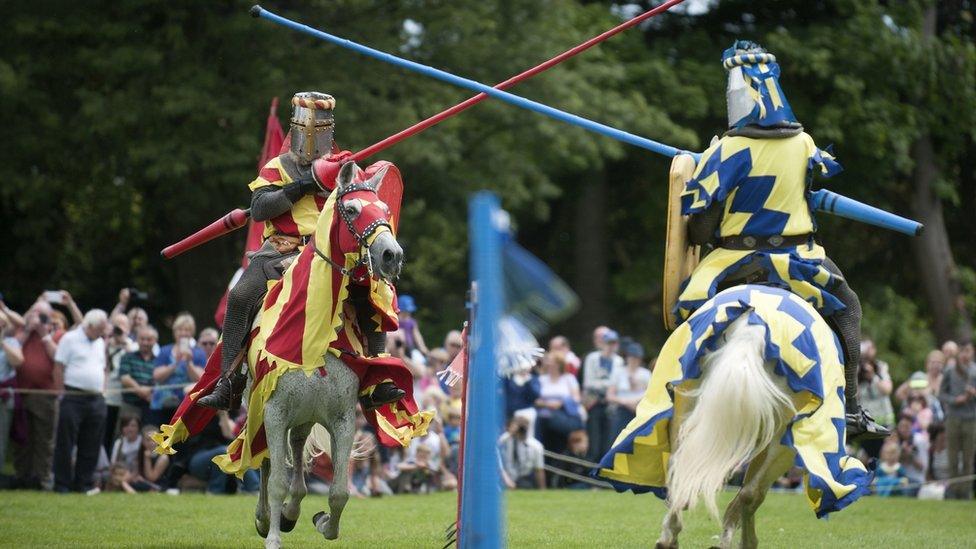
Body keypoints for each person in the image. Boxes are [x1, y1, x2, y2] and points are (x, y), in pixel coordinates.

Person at [673, 40, 884, 440]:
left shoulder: (726, 150)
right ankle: (852, 410)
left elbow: (697, 232)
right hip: (802, 259)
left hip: (733, 262)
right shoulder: (803, 144)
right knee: (848, 310)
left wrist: (704, 172)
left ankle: (676, 401)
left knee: (683, 314)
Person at [200, 93, 401, 412]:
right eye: (305, 131)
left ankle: (376, 376)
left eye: (318, 132)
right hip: (281, 251)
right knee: (240, 297)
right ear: (294, 130)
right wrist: (302, 185)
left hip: (332, 253)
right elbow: (261, 207)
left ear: (329, 132)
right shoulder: (277, 166)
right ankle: (230, 381)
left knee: (373, 291)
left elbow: (366, 205)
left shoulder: (346, 168)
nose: (311, 139)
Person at [53, 309, 109, 493]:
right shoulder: (69, 339)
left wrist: (104, 391)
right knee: (66, 441)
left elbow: (104, 368)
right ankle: (62, 484)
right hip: (73, 396)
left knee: (91, 442)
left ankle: (83, 484)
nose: (102, 333)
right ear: (89, 325)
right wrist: (61, 393)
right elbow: (59, 366)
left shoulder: (100, 342)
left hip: (96, 398)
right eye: (99, 329)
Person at [12, 301, 60, 490]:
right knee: (21, 437)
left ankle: (42, 478)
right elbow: (12, 352)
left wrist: (43, 334)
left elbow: (58, 357)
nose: (38, 318)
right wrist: (26, 330)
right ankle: (21, 476)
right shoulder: (19, 333)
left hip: (45, 395)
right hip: (21, 392)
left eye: (42, 315)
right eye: (35, 313)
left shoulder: (54, 335)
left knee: (44, 440)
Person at [150, 313, 205, 426]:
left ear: (192, 333)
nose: (183, 333)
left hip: (186, 406)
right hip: (163, 405)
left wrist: (189, 362)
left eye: (187, 330)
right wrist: (175, 363)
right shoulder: (165, 351)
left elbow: (201, 379)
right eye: (180, 329)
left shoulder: (198, 353)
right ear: (174, 332)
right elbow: (157, 376)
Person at [939, 341, 976, 499]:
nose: (965, 354)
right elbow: (941, 394)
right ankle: (953, 492)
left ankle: (965, 492)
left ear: (972, 352)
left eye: (967, 351)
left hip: (971, 419)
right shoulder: (950, 370)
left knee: (968, 458)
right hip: (953, 418)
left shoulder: (975, 371)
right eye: (962, 351)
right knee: (952, 457)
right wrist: (955, 400)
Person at [580, 329, 622, 460]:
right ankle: (588, 471)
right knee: (594, 440)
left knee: (608, 440)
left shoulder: (618, 361)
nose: (611, 346)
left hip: (610, 405)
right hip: (594, 403)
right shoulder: (592, 358)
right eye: (608, 343)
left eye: (614, 343)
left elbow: (617, 383)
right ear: (603, 343)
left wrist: (603, 384)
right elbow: (588, 383)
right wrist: (608, 385)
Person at [535, 352, 584, 456]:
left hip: (564, 414)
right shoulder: (541, 379)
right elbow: (535, 400)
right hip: (544, 415)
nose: (548, 363)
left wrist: (561, 403)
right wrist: (548, 405)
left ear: (558, 364)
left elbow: (576, 397)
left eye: (551, 361)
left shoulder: (569, 378)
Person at [856, 339, 895, 460]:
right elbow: (853, 395)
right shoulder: (856, 370)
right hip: (866, 424)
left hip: (884, 423)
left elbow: (887, 389)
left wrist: (873, 376)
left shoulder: (880, 367)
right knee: (868, 457)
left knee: (884, 456)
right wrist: (856, 375)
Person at [104, 313, 137, 452]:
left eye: (122, 324)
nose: (119, 328)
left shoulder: (133, 345)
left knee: (121, 433)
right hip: (108, 396)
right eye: (116, 324)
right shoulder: (105, 344)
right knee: (106, 431)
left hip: (125, 398)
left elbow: (134, 361)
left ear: (128, 328)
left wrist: (124, 341)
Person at [607, 342, 651, 435]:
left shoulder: (646, 374)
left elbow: (651, 393)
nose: (634, 360)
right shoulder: (619, 372)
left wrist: (636, 401)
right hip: (621, 410)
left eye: (636, 358)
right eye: (632, 357)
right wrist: (625, 402)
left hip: (640, 410)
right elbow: (610, 395)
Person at [0, 307, 24, 471]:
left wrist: (2, 343)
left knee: (1, 438)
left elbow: (17, 362)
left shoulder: (11, 342)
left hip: (4, 397)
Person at [119, 326, 158, 421]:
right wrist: (142, 391)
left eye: (149, 339)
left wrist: (148, 391)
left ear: (155, 341)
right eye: (142, 339)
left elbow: (159, 381)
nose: (145, 342)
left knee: (150, 434)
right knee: (127, 435)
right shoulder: (127, 357)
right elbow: (125, 379)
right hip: (130, 405)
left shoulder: (158, 361)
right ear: (137, 340)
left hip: (151, 407)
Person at [498, 416, 545, 490]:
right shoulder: (503, 440)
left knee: (525, 485)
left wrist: (542, 489)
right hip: (503, 476)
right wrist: (511, 433)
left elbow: (539, 470)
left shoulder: (535, 446)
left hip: (523, 479)